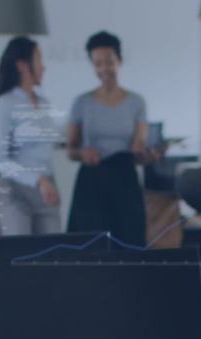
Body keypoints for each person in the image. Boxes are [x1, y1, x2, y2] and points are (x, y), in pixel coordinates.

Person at [66, 30, 159, 247]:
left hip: (124, 180)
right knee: (91, 246)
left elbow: (138, 151)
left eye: (109, 62)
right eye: (97, 63)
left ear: (119, 61)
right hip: (91, 182)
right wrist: (82, 153)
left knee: (129, 243)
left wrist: (149, 157)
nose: (104, 69)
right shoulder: (82, 102)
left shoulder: (137, 102)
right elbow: (71, 149)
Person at [0, 36, 61, 236]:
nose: (43, 67)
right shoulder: (5, 104)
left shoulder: (44, 103)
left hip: (46, 191)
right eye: (39, 59)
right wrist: (37, 179)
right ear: (22, 65)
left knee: (52, 256)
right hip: (15, 191)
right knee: (21, 257)